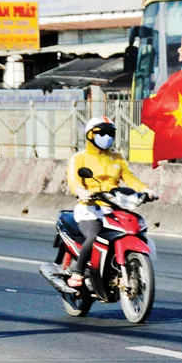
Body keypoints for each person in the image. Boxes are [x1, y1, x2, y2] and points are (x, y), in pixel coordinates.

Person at [65, 116, 154, 288]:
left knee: (135, 229)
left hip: (114, 207)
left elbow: (130, 178)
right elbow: (73, 180)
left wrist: (145, 190)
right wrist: (81, 192)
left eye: (110, 133)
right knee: (93, 236)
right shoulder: (80, 158)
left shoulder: (117, 158)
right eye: (102, 133)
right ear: (90, 135)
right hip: (90, 208)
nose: (107, 137)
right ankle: (77, 271)